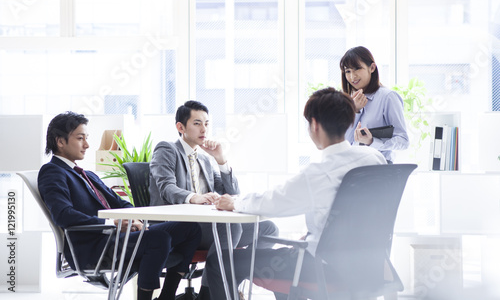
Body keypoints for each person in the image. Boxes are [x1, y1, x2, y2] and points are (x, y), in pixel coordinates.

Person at [206, 87, 387, 299]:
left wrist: (235, 203)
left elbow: (273, 201)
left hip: (322, 267)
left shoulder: (317, 174)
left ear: (315, 125)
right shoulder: (374, 158)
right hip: (367, 265)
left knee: (219, 261)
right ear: (348, 121)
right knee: (286, 258)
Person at [38, 111, 202, 300]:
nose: (87, 145)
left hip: (116, 237)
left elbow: (120, 202)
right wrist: (111, 222)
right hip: (95, 245)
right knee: (159, 238)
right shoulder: (52, 172)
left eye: (86, 138)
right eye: (80, 138)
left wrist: (136, 219)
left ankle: (166, 296)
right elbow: (63, 215)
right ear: (60, 141)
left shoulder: (87, 174)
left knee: (190, 229)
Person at [149, 100, 279, 299]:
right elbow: (167, 188)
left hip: (208, 227)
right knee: (231, 227)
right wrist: (195, 197)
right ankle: (209, 293)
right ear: (180, 127)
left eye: (207, 123)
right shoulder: (167, 149)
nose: (204, 129)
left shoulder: (205, 159)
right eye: (197, 123)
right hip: (181, 228)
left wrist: (221, 160)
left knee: (269, 228)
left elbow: (232, 192)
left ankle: (231, 279)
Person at [340, 46, 409, 163]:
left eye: (357, 68)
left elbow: (403, 141)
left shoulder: (388, 97)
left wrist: (372, 142)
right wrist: (354, 111)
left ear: (372, 68)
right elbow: (344, 143)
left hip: (378, 169)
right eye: (348, 71)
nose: (352, 77)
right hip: (352, 168)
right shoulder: (348, 101)